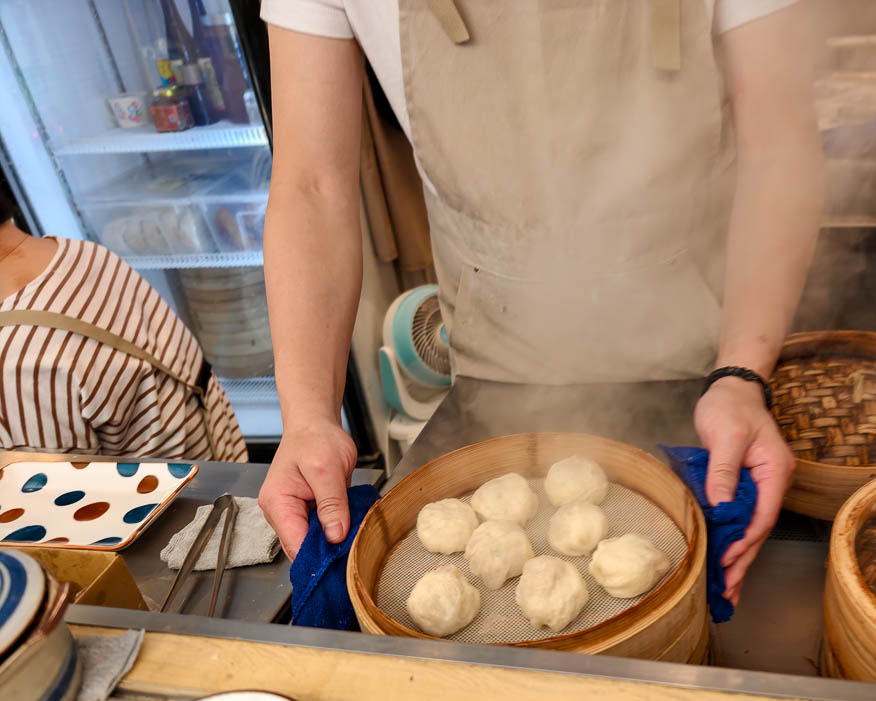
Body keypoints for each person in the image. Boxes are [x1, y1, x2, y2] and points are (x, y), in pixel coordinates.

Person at [258, 0, 822, 606]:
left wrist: (741, 375)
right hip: (492, 376)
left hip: (706, 369)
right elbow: (312, 184)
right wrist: (309, 414)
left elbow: (779, 144)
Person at [0, 189, 248, 461]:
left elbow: (50, 492)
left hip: (179, 497)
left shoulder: (17, 362)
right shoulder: (78, 253)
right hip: (222, 452)